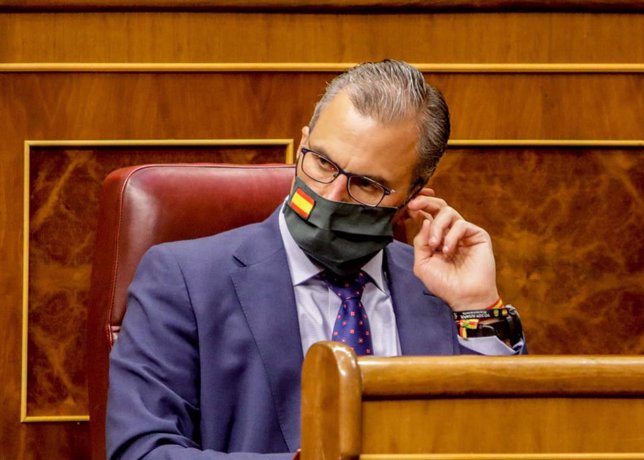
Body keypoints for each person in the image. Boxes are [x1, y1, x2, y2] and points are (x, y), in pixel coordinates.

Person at [107, 59, 526, 459]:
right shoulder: (184, 280)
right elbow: (142, 451)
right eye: (322, 162)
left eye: (366, 184)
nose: (330, 196)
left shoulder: (438, 291)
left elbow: (509, 439)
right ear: (303, 142)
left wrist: (477, 305)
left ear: (413, 196)